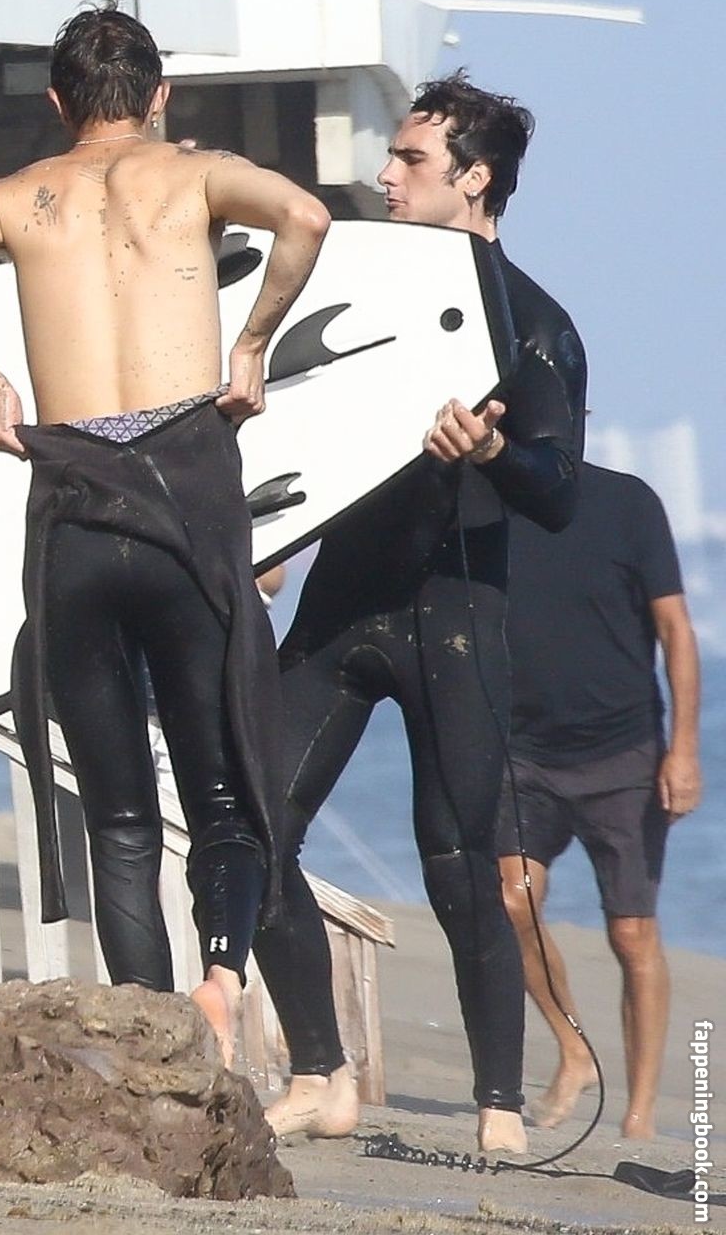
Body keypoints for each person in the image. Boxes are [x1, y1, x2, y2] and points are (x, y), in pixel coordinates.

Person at [0, 5, 330, 1065]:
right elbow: (305, 215)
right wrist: (252, 344)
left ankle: (146, 1043)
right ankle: (221, 978)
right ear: (161, 95)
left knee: (118, 816)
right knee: (224, 794)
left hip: (74, 506)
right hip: (184, 499)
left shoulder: (19, 197)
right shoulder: (198, 175)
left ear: (57, 103)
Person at [251, 73, 586, 1154]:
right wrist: (263, 534)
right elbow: (290, 413)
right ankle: (320, 1073)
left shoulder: (533, 323)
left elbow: (558, 488)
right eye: (392, 157)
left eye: (410, 160)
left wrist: (492, 449)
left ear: (474, 179)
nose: (386, 175)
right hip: (344, 603)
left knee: (458, 860)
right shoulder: (361, 284)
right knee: (254, 828)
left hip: (456, 612)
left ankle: (498, 1104)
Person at [497, 462, 703, 1138]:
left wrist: (684, 749)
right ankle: (574, 1048)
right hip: (524, 753)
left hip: (623, 754)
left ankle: (638, 1116)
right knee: (513, 900)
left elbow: (675, 629)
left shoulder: (628, 502)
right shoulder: (490, 502)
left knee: (631, 934)